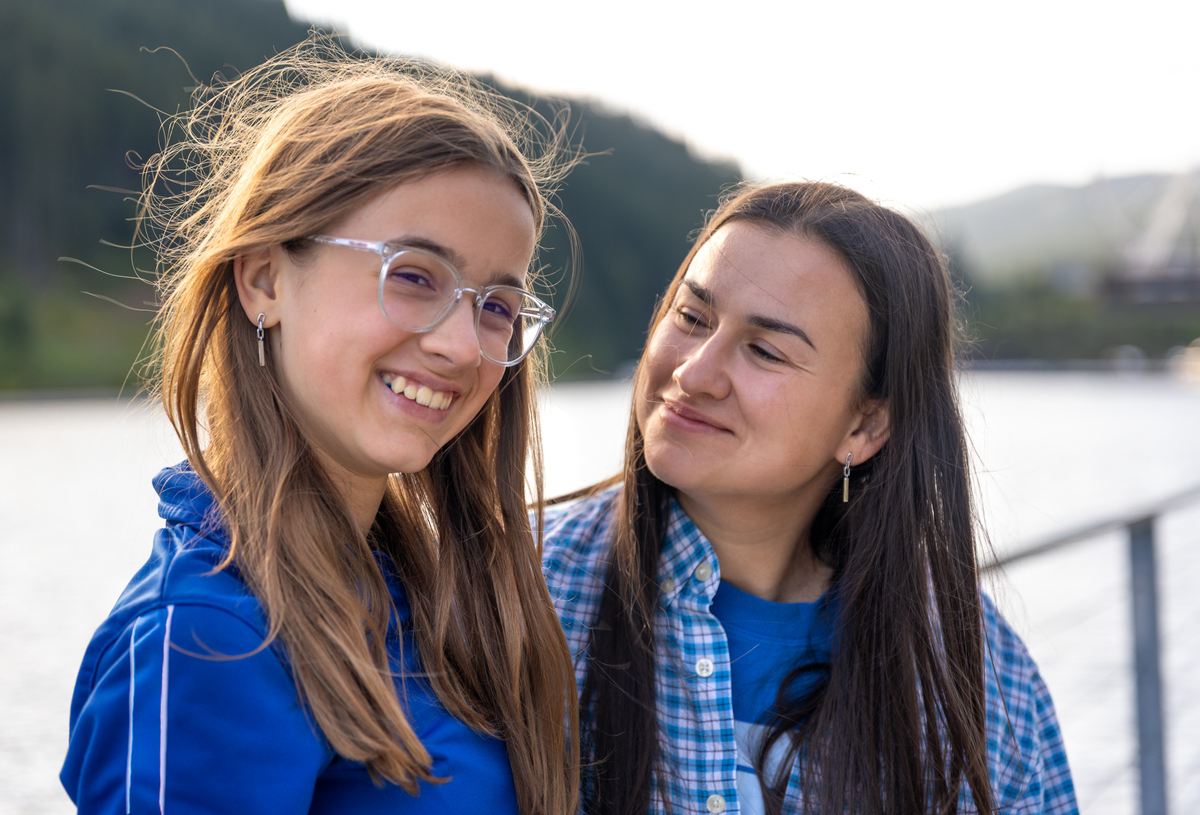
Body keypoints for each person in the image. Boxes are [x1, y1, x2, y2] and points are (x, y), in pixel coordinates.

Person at [61, 39, 578, 815]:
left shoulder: (432, 598)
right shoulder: (206, 638)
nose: (463, 345)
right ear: (266, 278)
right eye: (412, 276)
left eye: (496, 306)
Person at [542, 182, 1079, 815]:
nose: (694, 372)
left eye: (765, 350)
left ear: (864, 427)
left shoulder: (966, 664)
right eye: (692, 318)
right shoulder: (520, 590)